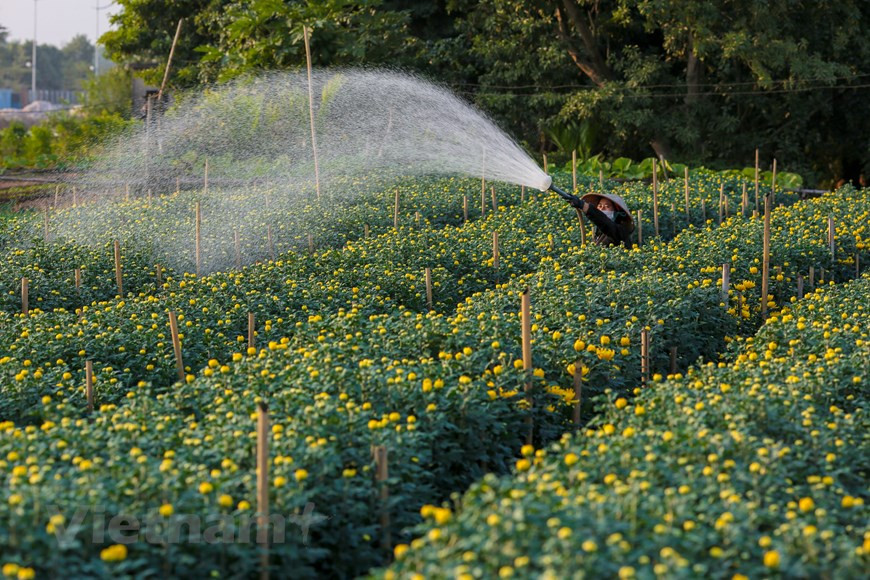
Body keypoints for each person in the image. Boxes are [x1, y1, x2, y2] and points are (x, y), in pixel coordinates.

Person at [568, 193, 635, 248]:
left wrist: (582, 205)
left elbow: (604, 222)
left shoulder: (621, 231)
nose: (602, 208)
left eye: (607, 206)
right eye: (599, 206)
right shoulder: (600, 232)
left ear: (617, 212)